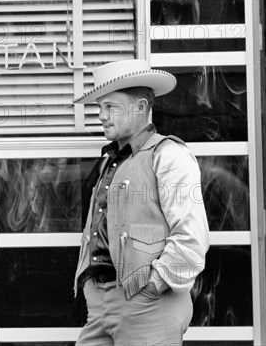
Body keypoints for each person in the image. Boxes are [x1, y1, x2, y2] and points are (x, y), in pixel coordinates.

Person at [72, 59, 210, 345]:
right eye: (100, 107)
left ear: (140, 107)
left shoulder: (169, 155)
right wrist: (91, 289)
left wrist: (152, 287)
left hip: (147, 304)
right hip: (102, 304)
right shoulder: (110, 161)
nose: (101, 116)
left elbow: (191, 238)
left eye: (110, 106)